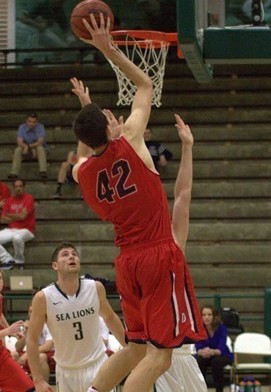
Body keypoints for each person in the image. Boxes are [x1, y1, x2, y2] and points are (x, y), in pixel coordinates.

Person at [71, 13, 206, 392]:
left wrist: (87, 107)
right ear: (110, 126)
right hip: (157, 255)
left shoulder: (82, 172)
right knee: (159, 356)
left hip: (126, 261)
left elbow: (89, 144)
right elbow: (145, 84)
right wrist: (107, 48)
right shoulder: (131, 139)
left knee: (133, 349)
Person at [26, 242, 126, 392]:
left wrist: (130, 348)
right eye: (65, 255)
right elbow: (31, 339)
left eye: (74, 254)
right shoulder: (43, 297)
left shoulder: (95, 287)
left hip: (98, 366)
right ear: (55, 266)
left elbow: (110, 318)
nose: (71, 257)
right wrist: (38, 380)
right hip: (66, 372)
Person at [155, 115, 206, 392]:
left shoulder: (173, 241)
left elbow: (183, 194)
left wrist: (187, 147)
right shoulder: (135, 244)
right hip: (153, 352)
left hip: (182, 350)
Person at [0, 269, 35, 392]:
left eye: (1, 278)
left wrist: (10, 329)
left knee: (27, 386)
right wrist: (7, 331)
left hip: (1, 354)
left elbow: (0, 316)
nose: (0, 282)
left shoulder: (0, 297)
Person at [195, 305, 234, 392]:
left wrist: (211, 351)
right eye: (204, 315)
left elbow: (221, 348)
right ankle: (200, 389)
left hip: (223, 355)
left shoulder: (221, 328)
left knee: (216, 362)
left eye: (209, 315)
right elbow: (198, 346)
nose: (206, 317)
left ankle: (219, 390)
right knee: (200, 361)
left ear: (214, 316)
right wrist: (201, 352)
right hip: (206, 355)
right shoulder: (199, 329)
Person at [0, 179, 35, 270]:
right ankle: (8, 259)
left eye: (20, 186)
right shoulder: (9, 200)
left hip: (26, 230)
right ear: (13, 188)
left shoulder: (29, 198)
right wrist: (18, 217)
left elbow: (22, 216)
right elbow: (3, 219)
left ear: (24, 187)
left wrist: (8, 215)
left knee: (17, 237)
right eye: (16, 187)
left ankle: (19, 262)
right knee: (14, 235)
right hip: (11, 230)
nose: (18, 189)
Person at [14, 305, 55, 383]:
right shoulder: (26, 325)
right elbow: (18, 348)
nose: (32, 314)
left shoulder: (49, 324)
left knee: (41, 357)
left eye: (34, 311)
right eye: (30, 312)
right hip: (31, 351)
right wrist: (26, 332)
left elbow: (48, 346)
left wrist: (28, 353)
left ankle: (43, 387)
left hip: (48, 353)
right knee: (13, 354)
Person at [8, 113, 48, 181]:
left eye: (33, 122)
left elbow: (40, 142)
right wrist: (25, 147)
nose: (31, 124)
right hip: (25, 150)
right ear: (26, 121)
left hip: (36, 150)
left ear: (37, 122)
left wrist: (28, 146)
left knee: (40, 148)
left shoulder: (40, 127)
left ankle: (43, 171)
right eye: (29, 121)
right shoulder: (22, 127)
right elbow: (19, 141)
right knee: (18, 150)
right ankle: (14, 173)